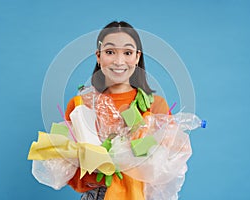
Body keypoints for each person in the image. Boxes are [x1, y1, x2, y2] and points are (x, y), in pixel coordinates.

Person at [65, 21, 171, 200]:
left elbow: (167, 165)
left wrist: (136, 162)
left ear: (137, 57)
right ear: (98, 56)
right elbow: (67, 166)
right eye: (109, 52)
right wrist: (99, 171)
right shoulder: (82, 105)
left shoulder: (155, 106)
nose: (119, 61)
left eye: (128, 52)